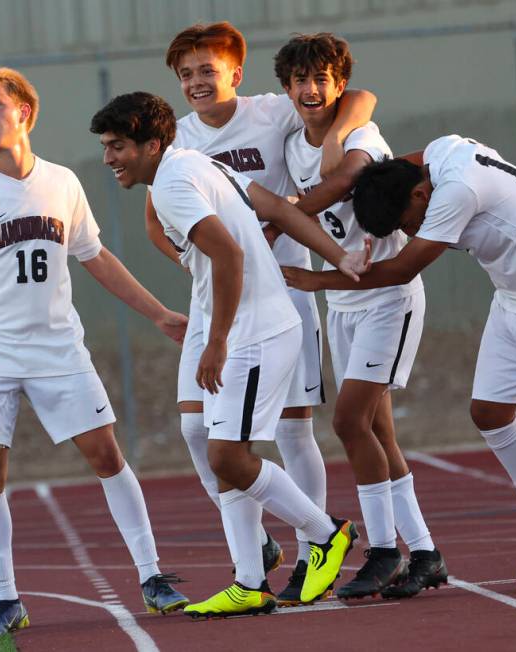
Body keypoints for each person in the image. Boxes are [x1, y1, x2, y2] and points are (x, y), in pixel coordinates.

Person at [283, 135, 516, 591]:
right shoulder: (437, 157)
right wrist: (312, 204)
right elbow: (381, 172)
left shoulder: (454, 194)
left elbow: (402, 269)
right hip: (515, 295)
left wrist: (314, 279)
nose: (410, 228)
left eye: (407, 220)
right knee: (489, 413)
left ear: (421, 196)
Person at [0, 68, 191, 637]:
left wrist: (158, 313)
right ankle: (5, 599)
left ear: (25, 111)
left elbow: (96, 258)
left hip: (59, 354)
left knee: (106, 456)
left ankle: (152, 577)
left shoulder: (62, 183)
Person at [91, 91, 370, 617]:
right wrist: (339, 257)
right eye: (106, 147)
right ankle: (248, 581)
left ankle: (325, 533)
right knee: (217, 449)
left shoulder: (175, 180)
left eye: (118, 147)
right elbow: (275, 210)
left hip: (255, 332)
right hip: (249, 327)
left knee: (228, 456)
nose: (109, 158)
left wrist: (216, 340)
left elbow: (230, 251)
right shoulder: (193, 163)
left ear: (151, 145)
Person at [145, 21, 378, 595]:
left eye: (208, 70)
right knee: (197, 430)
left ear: (235, 74)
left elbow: (360, 97)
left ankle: (310, 554)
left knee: (293, 434)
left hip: (284, 293)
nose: (197, 82)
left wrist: (334, 136)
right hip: (218, 299)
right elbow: (155, 222)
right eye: (186, 74)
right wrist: (189, 256)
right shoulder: (175, 139)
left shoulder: (272, 111)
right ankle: (262, 542)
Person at [275, 33, 446, 601]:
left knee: (348, 422)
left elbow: (347, 178)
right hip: (345, 301)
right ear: (286, 87)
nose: (310, 88)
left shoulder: (360, 133)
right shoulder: (291, 139)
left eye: (321, 78)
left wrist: (282, 218)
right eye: (300, 79)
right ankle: (423, 551)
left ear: (338, 84)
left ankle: (382, 551)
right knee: (376, 431)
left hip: (386, 297)